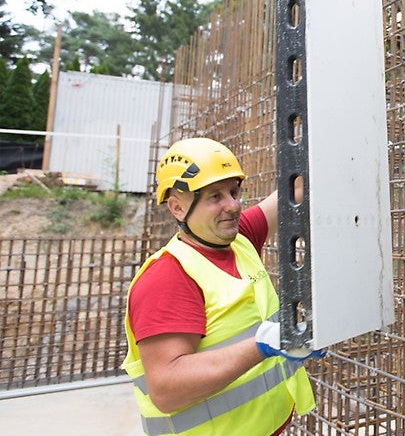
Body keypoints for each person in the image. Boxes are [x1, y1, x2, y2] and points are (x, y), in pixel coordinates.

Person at [122, 137, 323, 436]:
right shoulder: (168, 277)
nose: (232, 206)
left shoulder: (238, 238)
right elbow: (165, 389)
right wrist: (263, 345)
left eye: (233, 191)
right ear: (177, 208)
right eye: (214, 197)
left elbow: (294, 192)